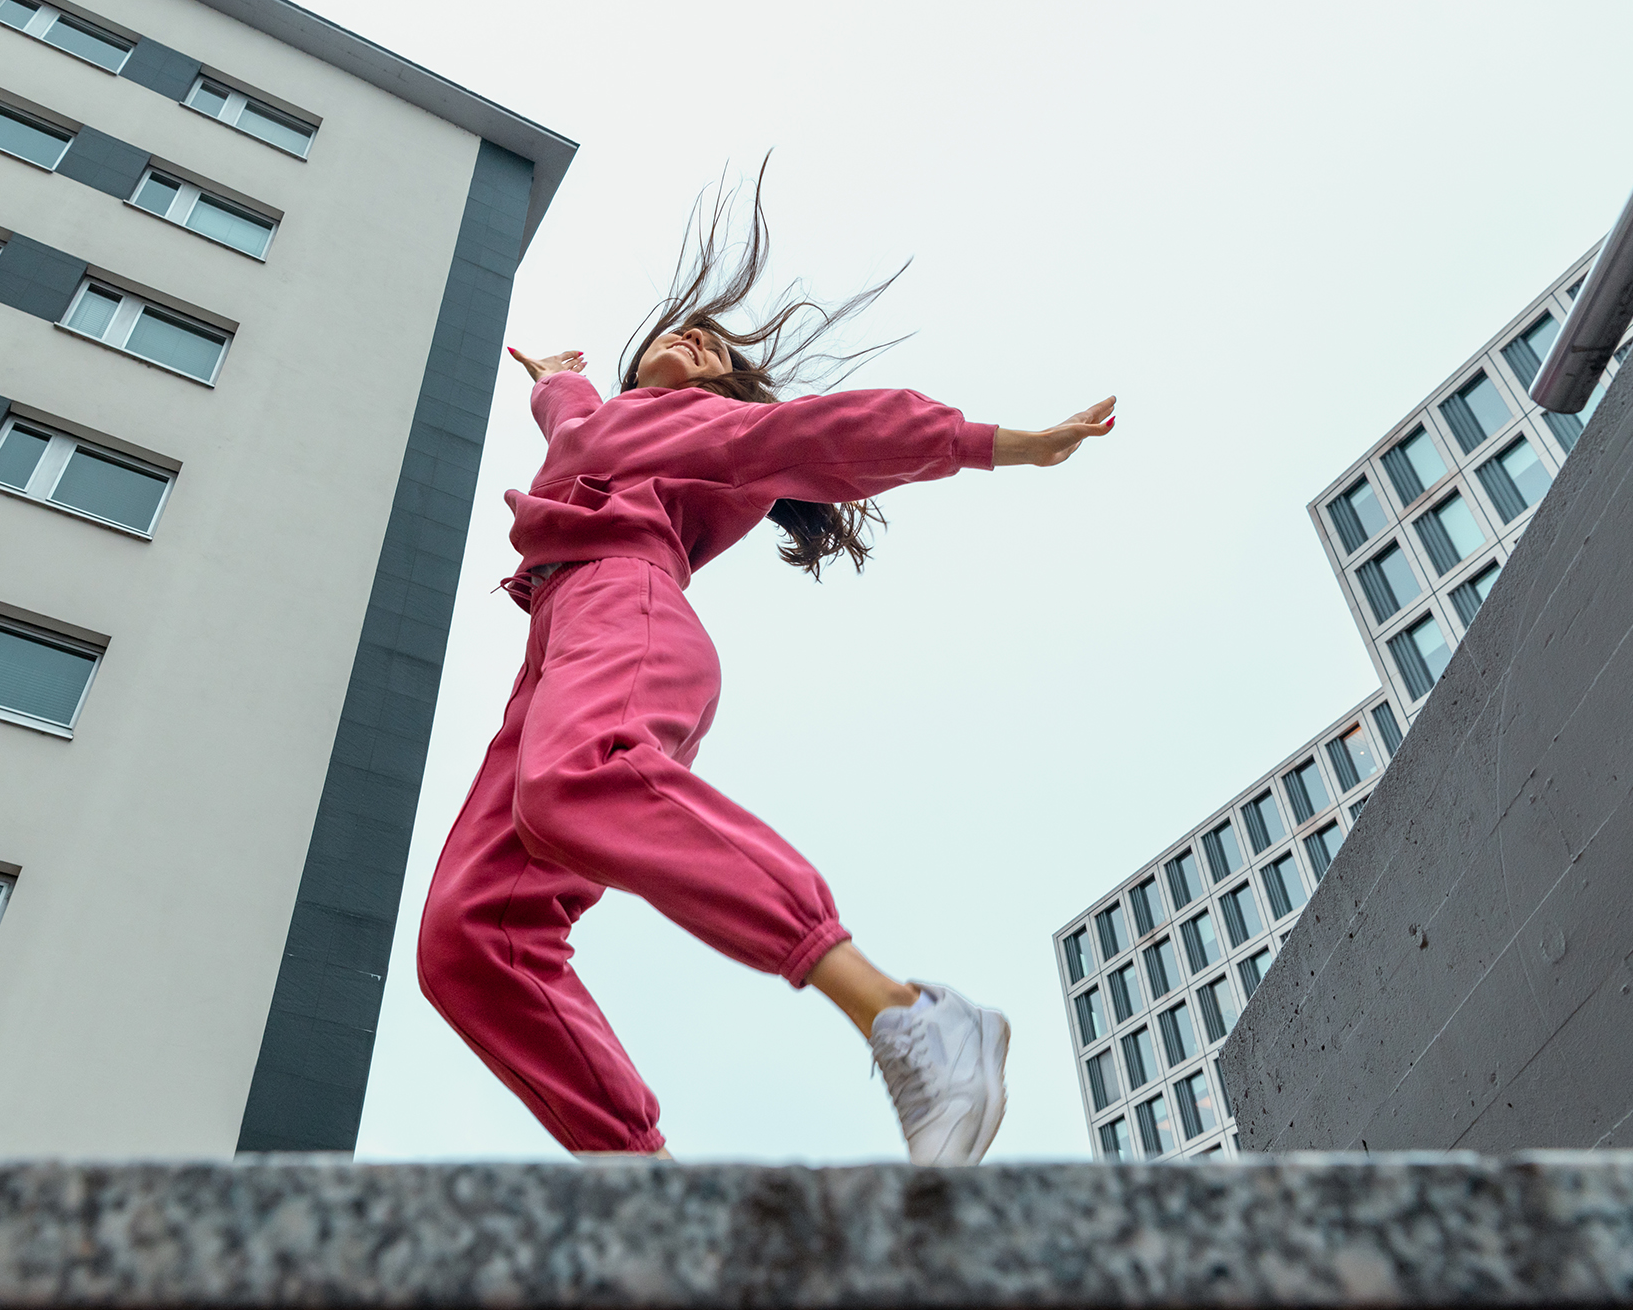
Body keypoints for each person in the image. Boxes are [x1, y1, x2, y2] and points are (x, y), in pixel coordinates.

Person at [415, 173, 1116, 1165]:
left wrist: (986, 444)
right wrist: (553, 376)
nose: (702, 345)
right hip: (555, 643)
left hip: (627, 608)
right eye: (687, 334)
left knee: (578, 780)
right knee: (466, 940)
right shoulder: (601, 427)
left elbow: (809, 436)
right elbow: (571, 422)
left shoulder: (700, 436)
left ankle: (911, 1019)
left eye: (717, 354)